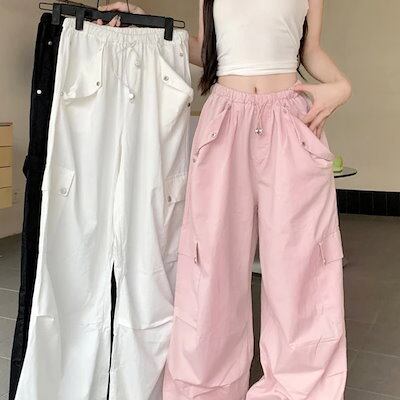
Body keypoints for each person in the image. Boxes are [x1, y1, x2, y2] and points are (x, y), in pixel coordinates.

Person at [98, 1, 351, 399]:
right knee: (210, 264)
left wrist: (342, 86)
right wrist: (147, 23)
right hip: (225, 120)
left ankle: (301, 390)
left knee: (301, 265)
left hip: (291, 120)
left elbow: (310, 50)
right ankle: (206, 389)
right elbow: (207, 51)